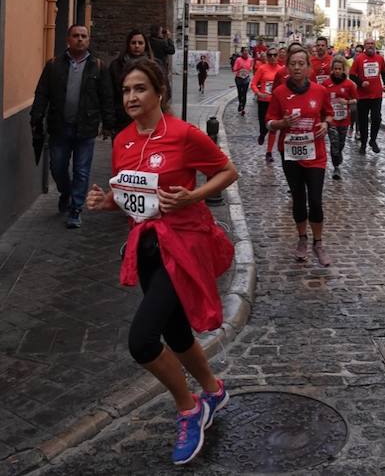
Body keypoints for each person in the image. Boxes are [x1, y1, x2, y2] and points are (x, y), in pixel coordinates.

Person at [86, 59, 238, 466]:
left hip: (184, 247)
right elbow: (130, 198)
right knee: (174, 331)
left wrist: (194, 195)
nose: (131, 97)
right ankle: (214, 389)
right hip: (148, 247)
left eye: (139, 89)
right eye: (125, 91)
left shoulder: (184, 135)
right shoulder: (121, 141)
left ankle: (190, 408)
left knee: (142, 341)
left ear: (158, 93)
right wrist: (105, 203)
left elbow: (227, 171)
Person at [30, 24, 114, 228]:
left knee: (81, 171)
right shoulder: (54, 65)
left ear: (88, 40)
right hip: (60, 126)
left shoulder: (98, 66)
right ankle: (65, 193)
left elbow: (107, 97)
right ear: (68, 39)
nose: (80, 39)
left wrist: (108, 124)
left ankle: (76, 208)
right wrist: (37, 116)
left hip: (86, 127)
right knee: (57, 168)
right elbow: (42, 93)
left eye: (84, 36)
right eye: (76, 36)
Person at [266, 46, 333, 265]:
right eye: (292, 64)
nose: (296, 67)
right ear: (287, 67)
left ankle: (319, 242)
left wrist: (325, 123)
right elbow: (269, 122)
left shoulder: (320, 91)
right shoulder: (279, 93)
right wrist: (282, 123)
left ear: (308, 67)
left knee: (315, 199)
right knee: (298, 198)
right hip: (291, 154)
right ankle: (302, 238)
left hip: (316, 155)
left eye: (300, 64)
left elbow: (329, 114)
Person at [109, 29, 155, 135]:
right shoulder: (116, 66)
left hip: (147, 119)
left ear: (145, 45)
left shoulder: (154, 66)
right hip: (122, 119)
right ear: (128, 45)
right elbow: (110, 94)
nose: (137, 46)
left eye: (140, 43)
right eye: (133, 43)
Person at [350, 38, 385, 154]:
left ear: (374, 45)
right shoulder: (359, 58)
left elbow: (384, 73)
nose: (370, 46)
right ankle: (363, 143)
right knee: (363, 121)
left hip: (376, 94)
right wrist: (361, 83)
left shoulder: (379, 58)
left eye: (372, 44)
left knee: (377, 118)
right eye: (368, 44)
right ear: (364, 46)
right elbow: (351, 75)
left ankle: (373, 140)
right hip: (363, 96)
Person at [322, 56, 358, 179]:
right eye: (335, 69)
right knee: (334, 142)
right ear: (332, 69)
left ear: (343, 70)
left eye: (339, 69)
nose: (337, 71)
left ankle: (338, 156)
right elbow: (321, 99)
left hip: (344, 119)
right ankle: (336, 167)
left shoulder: (349, 84)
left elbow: (356, 100)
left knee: (341, 143)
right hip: (331, 120)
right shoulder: (326, 83)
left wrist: (347, 102)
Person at [250, 46, 282, 162]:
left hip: (275, 103)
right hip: (263, 101)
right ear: (267, 57)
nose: (272, 57)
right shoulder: (262, 68)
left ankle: (269, 152)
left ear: (278, 56)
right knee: (263, 126)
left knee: (273, 127)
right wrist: (259, 93)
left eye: (275, 55)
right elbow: (253, 84)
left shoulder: (281, 70)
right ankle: (262, 134)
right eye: (270, 55)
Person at [232, 47, 252, 115]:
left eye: (247, 51)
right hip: (239, 78)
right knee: (240, 93)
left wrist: (249, 69)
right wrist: (239, 68)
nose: (246, 52)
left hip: (246, 78)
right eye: (245, 51)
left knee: (244, 93)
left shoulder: (250, 59)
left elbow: (250, 68)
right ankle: (240, 103)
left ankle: (242, 108)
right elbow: (234, 69)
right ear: (242, 52)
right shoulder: (238, 59)